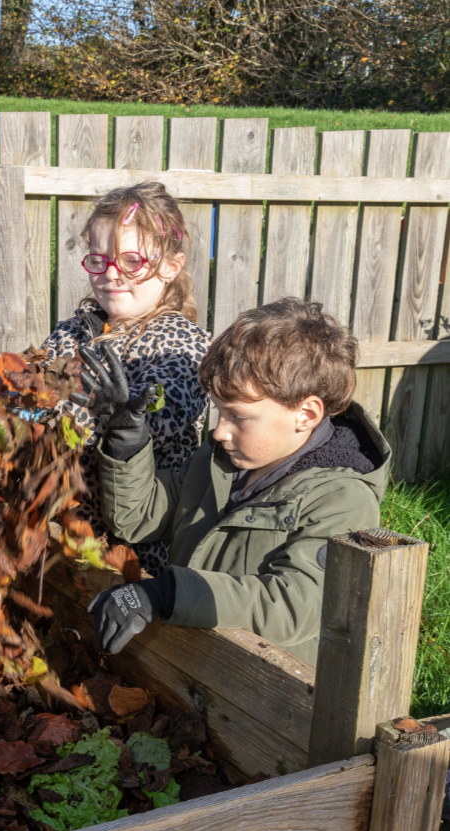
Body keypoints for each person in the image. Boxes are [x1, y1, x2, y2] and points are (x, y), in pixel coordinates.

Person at [84, 297, 391, 665]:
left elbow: (292, 606)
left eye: (238, 417)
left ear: (306, 414)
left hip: (268, 685)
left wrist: (167, 593)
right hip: (197, 666)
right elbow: (138, 517)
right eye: (218, 411)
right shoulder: (217, 461)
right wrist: (126, 442)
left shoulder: (343, 500)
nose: (219, 431)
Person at [42, 181, 210, 571]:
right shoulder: (69, 333)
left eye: (131, 261)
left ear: (171, 267)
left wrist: (86, 415)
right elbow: (35, 395)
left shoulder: (185, 346)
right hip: (60, 531)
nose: (112, 274)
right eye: (99, 260)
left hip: (137, 546)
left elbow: (155, 421)